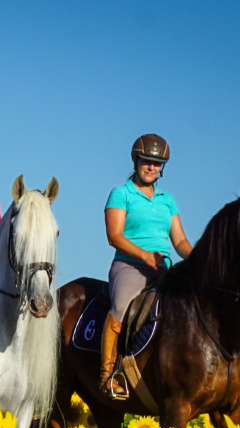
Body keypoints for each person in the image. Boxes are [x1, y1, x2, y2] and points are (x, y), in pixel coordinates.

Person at [100, 133, 193, 399]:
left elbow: (180, 241)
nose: (151, 167)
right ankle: (108, 375)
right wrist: (145, 256)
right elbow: (114, 236)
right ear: (135, 160)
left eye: (157, 163)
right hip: (129, 266)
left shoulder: (167, 200)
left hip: (162, 267)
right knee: (120, 307)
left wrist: (198, 258)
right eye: (146, 161)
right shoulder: (121, 194)